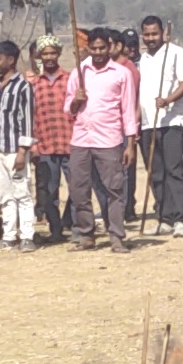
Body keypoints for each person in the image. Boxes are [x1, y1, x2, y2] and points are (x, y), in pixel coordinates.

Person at [66, 27, 139, 251]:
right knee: (79, 190)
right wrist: (76, 100)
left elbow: (128, 110)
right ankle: (87, 235)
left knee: (115, 190)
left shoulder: (121, 73)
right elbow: (68, 110)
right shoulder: (79, 72)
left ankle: (116, 235)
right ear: (88, 48)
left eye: (102, 48)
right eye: (93, 48)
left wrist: (130, 144)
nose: (97, 52)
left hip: (109, 140)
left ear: (109, 47)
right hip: (81, 139)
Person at [135, 14, 183, 235]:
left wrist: (168, 100)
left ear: (163, 33)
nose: (151, 38)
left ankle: (180, 219)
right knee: (156, 173)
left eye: (154, 34)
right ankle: (164, 218)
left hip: (172, 121)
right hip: (148, 123)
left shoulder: (176, 53)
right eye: (147, 34)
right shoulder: (142, 60)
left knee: (174, 170)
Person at [0, 39, 37, 250]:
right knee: (4, 195)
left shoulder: (23, 87)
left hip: (15, 151)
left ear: (11, 60)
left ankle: (27, 236)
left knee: (22, 193)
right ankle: (9, 236)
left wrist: (22, 152)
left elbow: (28, 121)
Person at [27, 36, 74, 244]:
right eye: (45, 54)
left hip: (70, 142)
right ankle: (56, 230)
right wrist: (33, 144)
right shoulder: (34, 85)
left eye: (52, 53)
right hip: (45, 144)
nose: (49, 57)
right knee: (49, 192)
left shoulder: (71, 80)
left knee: (77, 189)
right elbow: (31, 116)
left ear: (59, 54)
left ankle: (77, 226)